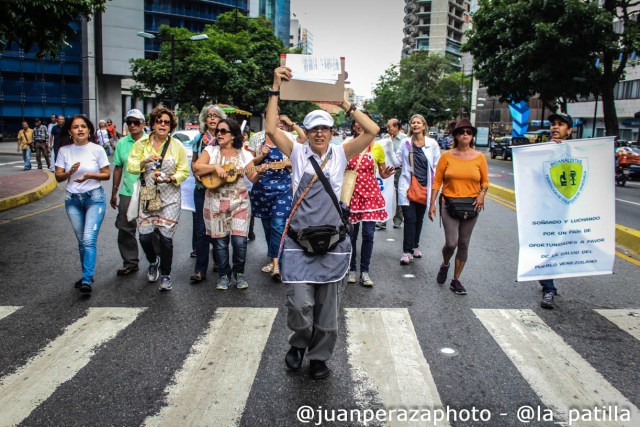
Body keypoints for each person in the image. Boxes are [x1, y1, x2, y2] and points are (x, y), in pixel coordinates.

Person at [267, 66, 379, 380]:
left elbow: (371, 131)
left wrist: (345, 104)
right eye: (314, 128)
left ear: (332, 132)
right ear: (307, 131)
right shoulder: (298, 152)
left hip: (333, 244)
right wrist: (275, 86)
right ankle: (300, 342)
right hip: (298, 243)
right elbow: (272, 128)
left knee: (327, 312)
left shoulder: (342, 154)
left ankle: (319, 356)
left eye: (325, 129)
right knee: (301, 306)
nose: (319, 133)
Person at [127, 106, 190, 292]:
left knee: (165, 238)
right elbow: (130, 166)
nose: (163, 124)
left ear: (171, 126)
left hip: (170, 194)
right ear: (153, 124)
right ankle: (153, 261)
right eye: (159, 121)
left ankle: (165, 275)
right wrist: (143, 162)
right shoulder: (141, 144)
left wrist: (172, 178)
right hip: (149, 192)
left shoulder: (176, 145)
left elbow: (184, 171)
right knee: (145, 237)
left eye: (166, 122)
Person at [192, 118, 257, 290]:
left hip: (239, 202)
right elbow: (197, 167)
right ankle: (223, 274)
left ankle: (239, 273)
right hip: (215, 202)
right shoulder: (210, 150)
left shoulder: (244, 154)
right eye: (218, 131)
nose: (219, 134)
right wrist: (214, 167)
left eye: (223, 131)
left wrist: (262, 171)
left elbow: (253, 177)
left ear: (234, 135)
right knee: (220, 243)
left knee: (239, 241)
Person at [428, 118, 488, 295]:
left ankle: (456, 279)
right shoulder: (446, 156)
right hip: (450, 205)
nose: (465, 135)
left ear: (472, 136)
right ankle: (445, 264)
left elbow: (485, 181)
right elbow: (437, 180)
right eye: (462, 132)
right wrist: (432, 203)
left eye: (469, 132)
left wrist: (482, 194)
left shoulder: (479, 157)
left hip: (472, 206)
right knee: (451, 243)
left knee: (463, 243)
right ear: (455, 135)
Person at [54, 115, 111, 294]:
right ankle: (87, 274)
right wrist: (69, 172)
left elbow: (106, 174)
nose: (80, 129)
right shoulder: (64, 151)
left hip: (94, 198)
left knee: (88, 240)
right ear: (70, 131)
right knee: (82, 242)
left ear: (89, 130)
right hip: (72, 200)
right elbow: (58, 176)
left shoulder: (97, 149)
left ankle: (86, 280)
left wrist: (89, 176)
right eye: (76, 127)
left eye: (83, 127)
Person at [346, 116, 395, 286]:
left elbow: (381, 172)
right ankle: (351, 269)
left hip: (371, 196)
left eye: (363, 121)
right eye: (357, 122)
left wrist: (385, 174)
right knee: (351, 234)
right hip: (352, 194)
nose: (359, 125)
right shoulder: (347, 145)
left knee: (368, 234)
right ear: (353, 126)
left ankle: (364, 271)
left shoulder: (378, 148)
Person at [249, 118, 294, 281]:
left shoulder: (288, 137)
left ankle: (277, 265)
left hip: (282, 188)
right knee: (268, 226)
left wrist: (282, 164)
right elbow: (250, 163)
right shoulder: (256, 138)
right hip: (262, 188)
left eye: (276, 117)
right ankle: (274, 258)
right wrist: (261, 156)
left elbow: (297, 159)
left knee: (278, 224)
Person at [394, 114, 441, 265]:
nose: (415, 125)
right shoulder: (406, 143)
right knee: (410, 219)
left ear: (424, 125)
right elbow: (397, 160)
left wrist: (435, 187)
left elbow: (437, 166)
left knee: (419, 219)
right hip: (408, 186)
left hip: (424, 188)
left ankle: (415, 246)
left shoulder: (432, 144)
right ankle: (407, 252)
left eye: (418, 123)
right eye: (413, 123)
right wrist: (387, 152)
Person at [537, 112, 573, 309]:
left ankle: (547, 281)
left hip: (567, 209)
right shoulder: (541, 151)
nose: (555, 127)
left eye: (560, 124)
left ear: (569, 130)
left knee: (560, 247)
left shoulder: (575, 151)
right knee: (546, 247)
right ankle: (548, 288)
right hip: (544, 209)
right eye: (553, 124)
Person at [190, 104, 227, 283]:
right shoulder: (199, 139)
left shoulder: (226, 139)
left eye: (215, 115)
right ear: (205, 120)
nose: (212, 118)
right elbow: (194, 163)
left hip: (220, 189)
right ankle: (200, 269)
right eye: (209, 116)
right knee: (201, 229)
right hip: (201, 189)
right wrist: (198, 174)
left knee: (219, 227)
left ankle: (220, 262)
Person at [111, 109, 150, 276]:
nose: (132, 125)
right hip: (128, 191)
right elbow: (118, 168)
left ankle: (156, 260)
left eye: (136, 122)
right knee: (125, 227)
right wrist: (114, 192)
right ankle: (130, 262)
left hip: (149, 189)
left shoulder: (152, 141)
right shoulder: (122, 144)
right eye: (129, 122)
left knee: (151, 228)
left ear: (143, 124)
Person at [386, 118, 407, 229]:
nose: (388, 129)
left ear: (397, 127)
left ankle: (398, 220)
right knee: (385, 194)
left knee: (400, 195)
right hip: (386, 171)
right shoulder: (385, 139)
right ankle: (382, 220)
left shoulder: (405, 140)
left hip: (400, 170)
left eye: (390, 127)